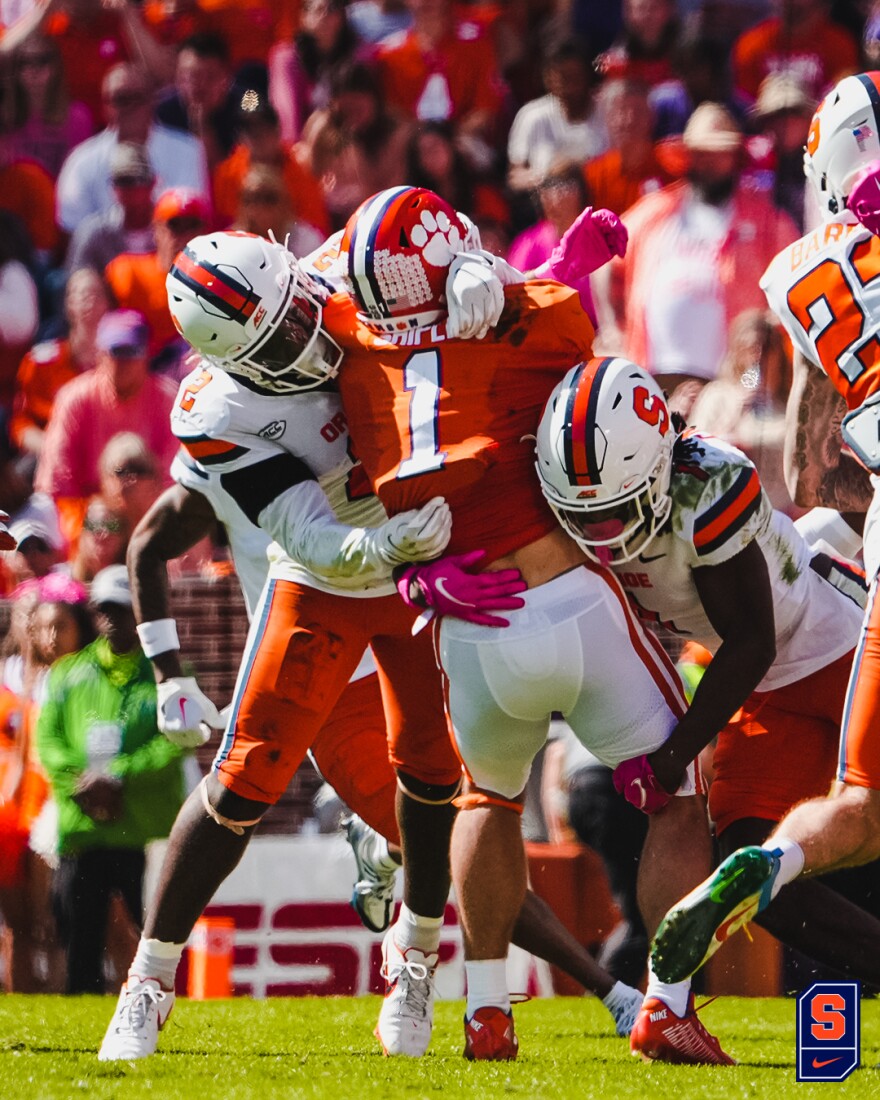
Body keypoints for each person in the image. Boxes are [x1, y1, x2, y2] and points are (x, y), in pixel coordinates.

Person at [322, 185, 731, 1064]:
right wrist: (519, 275)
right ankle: (667, 1003)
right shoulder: (534, 315)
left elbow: (394, 396)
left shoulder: (357, 360)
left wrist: (418, 572)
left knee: (487, 799)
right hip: (571, 600)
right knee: (678, 794)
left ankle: (486, 1012)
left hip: (470, 630)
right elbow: (562, 353)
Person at [96, 228, 472, 1062]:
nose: (307, 341)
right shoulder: (217, 410)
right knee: (243, 777)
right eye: (277, 343)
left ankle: (412, 962)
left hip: (426, 549)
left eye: (298, 316)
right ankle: (148, 985)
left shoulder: (345, 262)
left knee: (436, 770)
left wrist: (480, 271)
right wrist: (380, 550)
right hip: (333, 569)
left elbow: (430, 229)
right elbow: (303, 530)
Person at [125, 439, 644, 1035]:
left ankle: (387, 855)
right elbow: (147, 543)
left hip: (411, 632)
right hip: (329, 670)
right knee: (437, 840)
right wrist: (167, 673)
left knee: (464, 822)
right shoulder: (238, 430)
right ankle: (607, 991)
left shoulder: (364, 404)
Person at [535, 356, 880, 999]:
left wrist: (672, 755)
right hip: (764, 690)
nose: (599, 535)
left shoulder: (708, 486)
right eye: (582, 516)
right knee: (756, 874)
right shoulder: (588, 498)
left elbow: (751, 640)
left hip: (840, 650)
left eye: (613, 513)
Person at [650, 70, 880, 987]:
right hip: (807, 623)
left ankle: (776, 859)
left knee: (857, 804)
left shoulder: (795, 272)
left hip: (842, 575)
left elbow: (809, 469)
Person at [36, 564, 185, 993]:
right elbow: (49, 741)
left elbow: (174, 741)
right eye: (103, 610)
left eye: (121, 610)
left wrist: (119, 778)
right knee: (78, 936)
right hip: (84, 828)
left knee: (151, 934)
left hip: (142, 827)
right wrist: (82, 783)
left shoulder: (166, 674)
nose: (111, 620)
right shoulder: (68, 674)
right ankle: (82, 1003)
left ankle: (155, 998)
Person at [606, 101, 798, 394]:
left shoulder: (767, 220)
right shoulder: (655, 211)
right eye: (702, 153)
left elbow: (796, 281)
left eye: (719, 154)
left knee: (731, 432)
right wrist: (612, 328)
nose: (710, 162)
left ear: (735, 158)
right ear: (688, 156)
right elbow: (607, 258)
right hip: (651, 375)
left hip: (736, 381)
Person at [35, 308, 178, 547]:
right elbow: (58, 484)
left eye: (132, 351)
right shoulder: (75, 398)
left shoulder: (168, 400)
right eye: (115, 352)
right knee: (36, 518)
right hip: (92, 523)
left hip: (151, 518)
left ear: (147, 354)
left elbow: (175, 482)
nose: (122, 362)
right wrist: (86, 537)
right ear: (100, 354)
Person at [55, 62, 209, 235]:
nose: (130, 107)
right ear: (106, 106)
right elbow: (72, 228)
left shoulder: (187, 150)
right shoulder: (81, 160)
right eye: (121, 99)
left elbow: (191, 215)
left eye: (138, 97)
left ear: (152, 100)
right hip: (104, 256)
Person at [10, 268, 110, 459]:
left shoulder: (117, 365)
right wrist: (52, 449)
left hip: (101, 457)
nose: (89, 301)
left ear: (107, 303)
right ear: (69, 303)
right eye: (81, 294)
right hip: (47, 452)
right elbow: (20, 423)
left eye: (96, 294)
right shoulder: (41, 362)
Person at [103, 187, 211, 363]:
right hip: (140, 371)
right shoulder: (127, 271)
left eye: (192, 226)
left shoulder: (218, 281)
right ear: (156, 229)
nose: (184, 236)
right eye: (175, 225)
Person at [506, 37, 608, 195]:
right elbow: (515, 177)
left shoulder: (609, 111)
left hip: (602, 197)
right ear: (547, 78)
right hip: (546, 201)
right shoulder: (532, 115)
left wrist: (580, 169)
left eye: (575, 77)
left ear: (588, 76)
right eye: (562, 78)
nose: (569, 87)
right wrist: (549, 177)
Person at [4, 31, 93, 178]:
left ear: (56, 66)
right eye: (24, 62)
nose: (33, 70)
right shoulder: (5, 117)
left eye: (42, 60)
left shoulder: (77, 117)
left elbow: (81, 174)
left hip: (61, 198)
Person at [65, 142, 157, 276]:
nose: (130, 189)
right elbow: (77, 283)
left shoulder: (171, 229)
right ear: (112, 187)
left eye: (137, 180)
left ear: (152, 183)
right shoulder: (94, 233)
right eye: (122, 181)